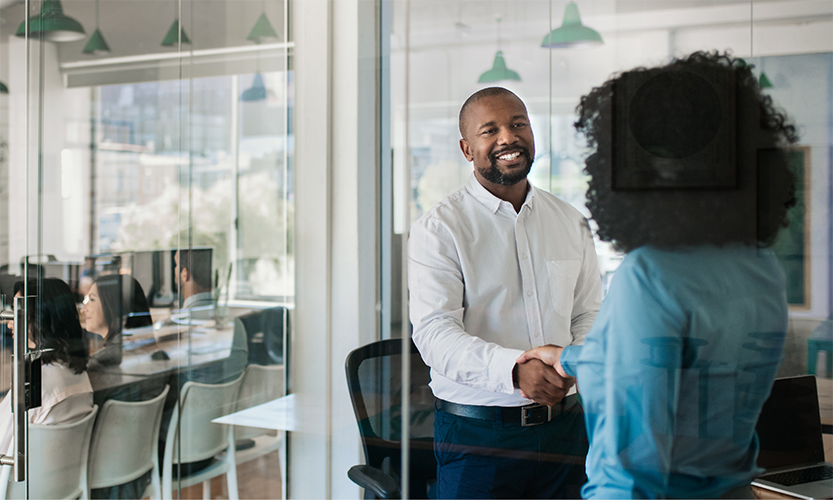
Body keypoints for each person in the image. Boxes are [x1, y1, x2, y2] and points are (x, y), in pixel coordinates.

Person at [516, 51, 797, 499]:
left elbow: (633, 468)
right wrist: (568, 358)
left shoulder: (651, 276)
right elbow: (683, 369)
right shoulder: (760, 266)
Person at [408, 87, 601, 498]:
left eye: (518, 124)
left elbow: (589, 313)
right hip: (477, 438)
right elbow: (433, 334)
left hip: (566, 432)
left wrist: (572, 361)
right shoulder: (440, 229)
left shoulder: (570, 221)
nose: (507, 138)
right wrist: (514, 370)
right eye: (489, 130)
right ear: (466, 148)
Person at [0, 278, 94, 454]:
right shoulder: (79, 375)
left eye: (17, 312)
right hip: (60, 477)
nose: (10, 322)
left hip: (18, 479)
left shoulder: (34, 382)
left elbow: (2, 444)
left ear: (40, 318)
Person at [82, 274, 153, 369]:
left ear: (113, 306)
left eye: (92, 299)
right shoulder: (147, 349)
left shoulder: (98, 363)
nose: (83, 310)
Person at [174, 248, 215, 320]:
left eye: (176, 264)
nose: (175, 269)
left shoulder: (180, 322)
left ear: (184, 274)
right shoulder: (218, 314)